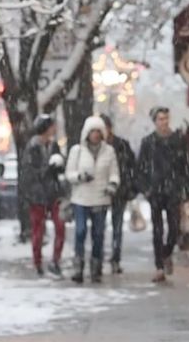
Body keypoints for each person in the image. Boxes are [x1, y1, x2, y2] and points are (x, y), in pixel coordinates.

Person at [65, 115, 120, 283]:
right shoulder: (77, 151)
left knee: (98, 234)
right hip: (81, 198)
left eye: (98, 132)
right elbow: (69, 173)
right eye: (92, 132)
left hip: (100, 198)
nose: (95, 135)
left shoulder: (109, 151)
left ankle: (96, 267)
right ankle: (78, 266)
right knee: (80, 231)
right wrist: (80, 177)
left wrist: (112, 184)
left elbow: (114, 172)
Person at [136, 107, 188, 283]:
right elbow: (140, 168)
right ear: (155, 121)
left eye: (166, 118)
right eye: (160, 119)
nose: (164, 122)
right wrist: (146, 189)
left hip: (173, 191)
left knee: (174, 228)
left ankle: (167, 253)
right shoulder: (148, 142)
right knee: (157, 231)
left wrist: (182, 186)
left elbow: (185, 165)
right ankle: (159, 267)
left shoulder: (178, 140)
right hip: (156, 192)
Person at [20, 114, 66, 278]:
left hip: (53, 193)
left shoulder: (54, 146)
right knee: (38, 230)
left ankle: (55, 260)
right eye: (52, 126)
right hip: (38, 195)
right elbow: (31, 173)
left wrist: (59, 167)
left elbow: (60, 168)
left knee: (60, 227)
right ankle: (37, 262)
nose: (54, 129)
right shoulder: (32, 148)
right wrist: (49, 169)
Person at [100, 114, 138, 274]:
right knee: (99, 227)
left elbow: (131, 167)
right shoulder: (95, 146)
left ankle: (115, 257)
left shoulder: (121, 145)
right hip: (100, 192)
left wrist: (130, 187)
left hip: (119, 191)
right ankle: (99, 257)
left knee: (117, 226)